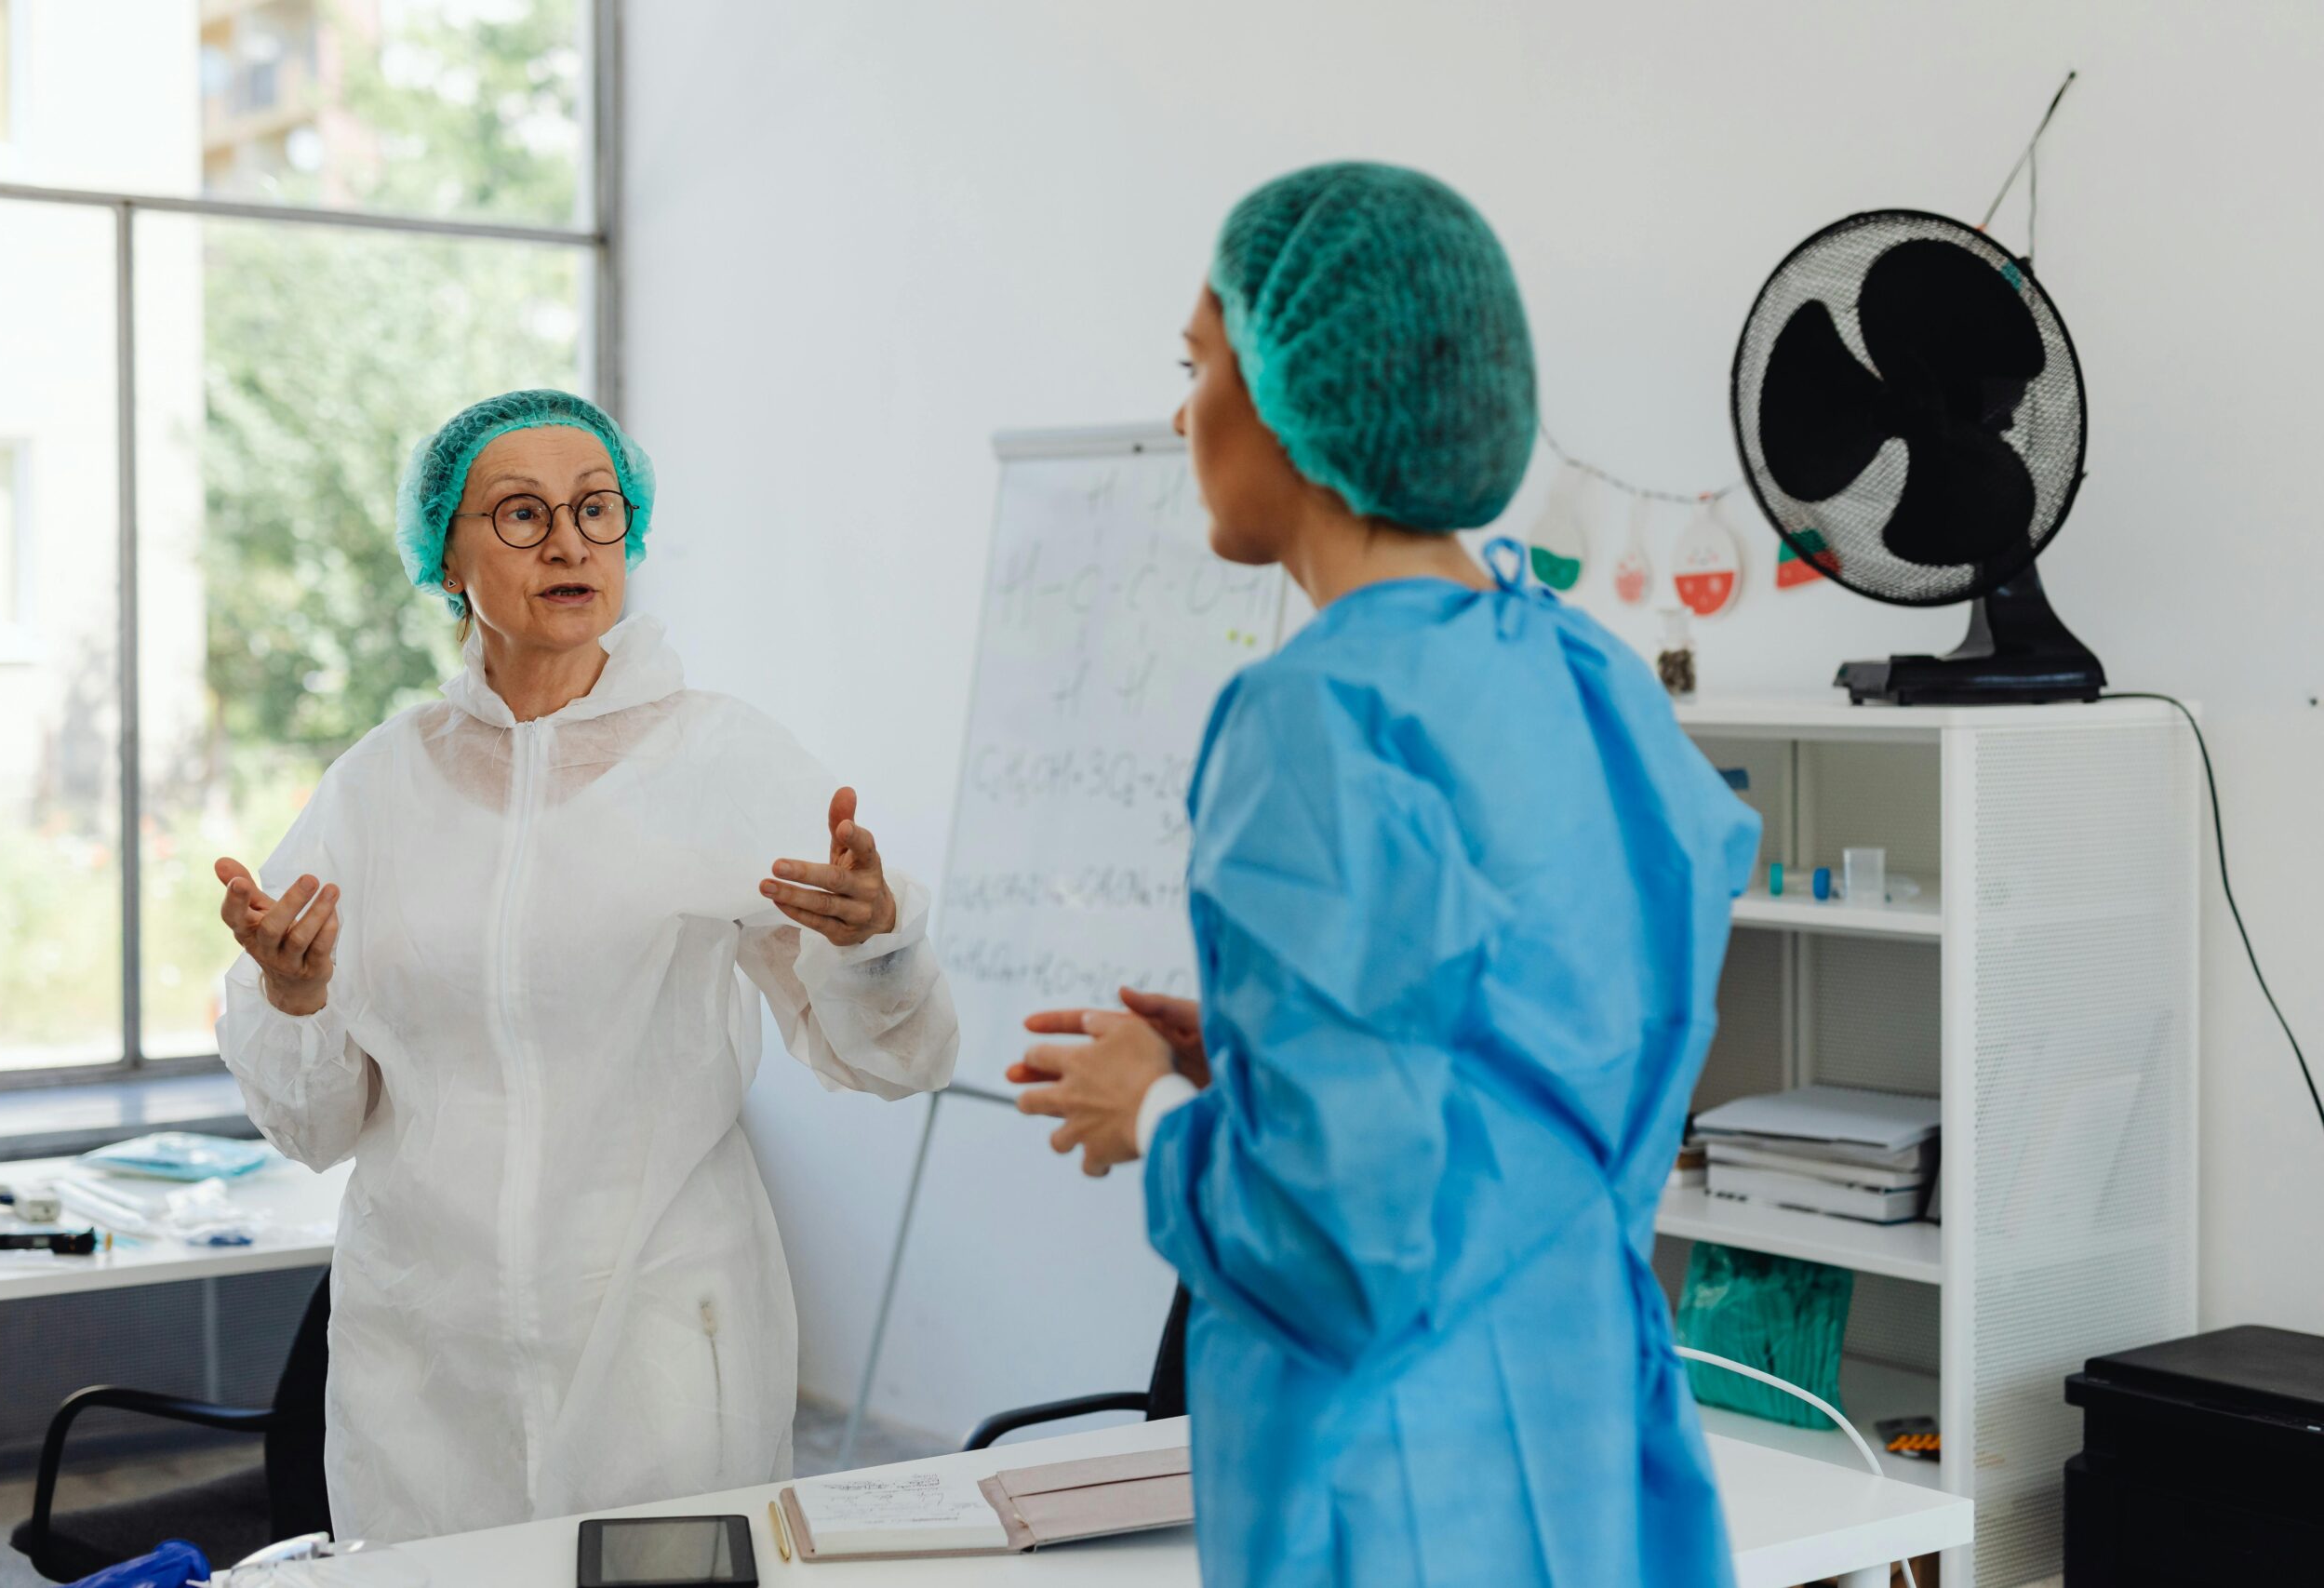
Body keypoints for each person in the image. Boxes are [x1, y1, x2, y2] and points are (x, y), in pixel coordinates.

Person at [1011, 166, 1760, 1587]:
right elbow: (1539, 1059)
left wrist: (1153, 1108)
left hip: (1399, 1476)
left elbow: (1339, 1240)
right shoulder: (1584, 668)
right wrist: (1247, 1058)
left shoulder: (1313, 713)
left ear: (1302, 394)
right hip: (1590, 1420)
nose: (1181, 416)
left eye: (1199, 367)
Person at [212, 390, 959, 1544]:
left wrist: (874, 944)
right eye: (519, 514)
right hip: (425, 1358)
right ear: (444, 558)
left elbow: (894, 1060)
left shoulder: (721, 759)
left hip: (661, 1340)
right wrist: (297, 1000)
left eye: (596, 510)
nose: (567, 542)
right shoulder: (377, 788)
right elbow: (315, 1124)